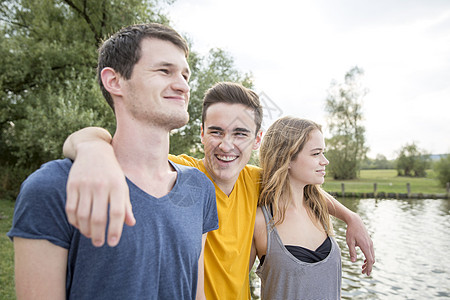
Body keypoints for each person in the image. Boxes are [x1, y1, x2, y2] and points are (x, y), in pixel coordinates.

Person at [63, 82, 375, 299]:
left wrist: (350, 218)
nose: (226, 145)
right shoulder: (177, 173)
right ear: (201, 133)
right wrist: (92, 149)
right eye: (216, 132)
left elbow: (302, 185)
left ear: (256, 139)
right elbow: (88, 140)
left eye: (240, 133)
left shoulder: (255, 181)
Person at [7, 23, 218, 299]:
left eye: (185, 75)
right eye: (164, 71)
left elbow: (194, 292)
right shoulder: (54, 186)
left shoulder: (198, 188)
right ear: (114, 81)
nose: (182, 86)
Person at [251, 116, 342, 299]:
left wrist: (352, 217)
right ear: (287, 158)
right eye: (316, 154)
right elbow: (237, 285)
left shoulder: (320, 212)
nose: (325, 161)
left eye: (323, 153)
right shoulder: (260, 221)